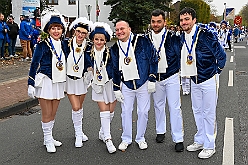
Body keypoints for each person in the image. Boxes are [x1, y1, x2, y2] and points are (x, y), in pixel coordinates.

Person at [179, 7, 226, 159]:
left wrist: (215, 71)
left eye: (187, 19)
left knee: (209, 113)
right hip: (194, 80)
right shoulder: (182, 36)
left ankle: (209, 145)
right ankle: (200, 140)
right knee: (197, 111)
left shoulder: (206, 35)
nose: (184, 22)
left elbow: (221, 55)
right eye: (181, 20)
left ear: (194, 20)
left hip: (208, 79)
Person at [111, 20, 158, 151]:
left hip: (143, 83)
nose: (119, 32)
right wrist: (116, 87)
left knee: (143, 111)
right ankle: (126, 138)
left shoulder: (142, 41)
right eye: (117, 30)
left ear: (129, 29)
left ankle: (140, 138)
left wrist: (152, 78)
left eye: (122, 29)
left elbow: (153, 58)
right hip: (127, 84)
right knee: (125, 112)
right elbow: (114, 68)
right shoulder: (114, 48)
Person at [27, 9, 67, 153]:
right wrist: (30, 83)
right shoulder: (42, 45)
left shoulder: (64, 45)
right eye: (53, 28)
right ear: (48, 30)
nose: (56, 31)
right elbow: (34, 64)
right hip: (45, 81)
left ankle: (48, 137)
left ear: (62, 30)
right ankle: (48, 139)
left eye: (58, 28)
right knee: (47, 112)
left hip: (58, 81)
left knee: (54, 112)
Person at [146, 9, 184, 152]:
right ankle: (160, 131)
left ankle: (178, 138)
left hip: (171, 75)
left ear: (164, 22)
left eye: (159, 22)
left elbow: (181, 54)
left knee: (174, 108)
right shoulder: (146, 38)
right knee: (158, 105)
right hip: (155, 78)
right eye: (153, 22)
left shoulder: (173, 37)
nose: (156, 25)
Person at [86, 22, 117, 153]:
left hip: (109, 83)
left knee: (110, 111)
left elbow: (116, 68)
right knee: (104, 110)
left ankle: (102, 132)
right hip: (97, 84)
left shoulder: (110, 52)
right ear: (92, 39)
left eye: (101, 40)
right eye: (96, 39)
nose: (99, 42)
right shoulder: (87, 52)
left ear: (105, 41)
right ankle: (108, 139)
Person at [63, 17, 93, 148]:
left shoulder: (89, 46)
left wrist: (90, 70)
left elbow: (91, 61)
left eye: (84, 33)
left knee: (79, 107)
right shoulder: (66, 44)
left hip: (82, 80)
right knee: (75, 107)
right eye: (79, 32)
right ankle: (78, 134)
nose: (81, 35)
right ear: (74, 31)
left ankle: (79, 131)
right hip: (69, 80)